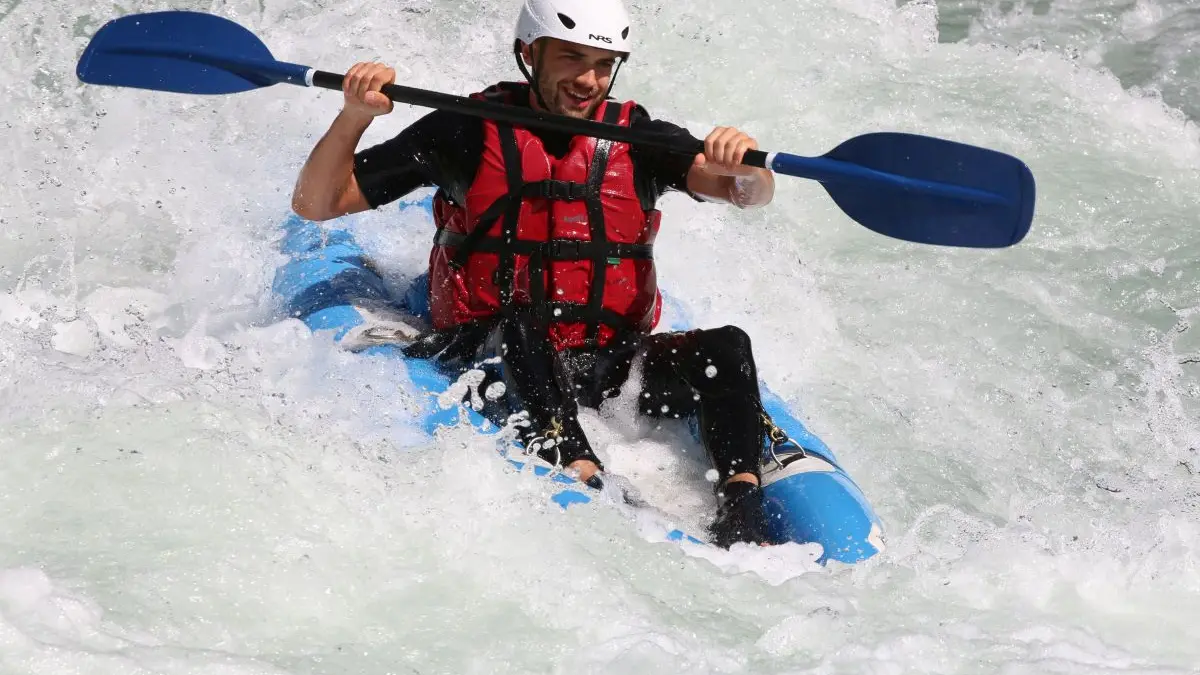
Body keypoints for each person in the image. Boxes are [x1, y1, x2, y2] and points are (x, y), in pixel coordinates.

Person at [291, 0, 780, 547]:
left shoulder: (639, 139)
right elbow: (318, 203)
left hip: (609, 365)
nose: (588, 79)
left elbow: (741, 194)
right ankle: (580, 469)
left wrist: (748, 169)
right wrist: (355, 115)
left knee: (727, 346)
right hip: (490, 351)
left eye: (603, 63)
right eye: (572, 57)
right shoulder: (464, 131)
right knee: (525, 324)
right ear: (530, 53)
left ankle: (741, 501)